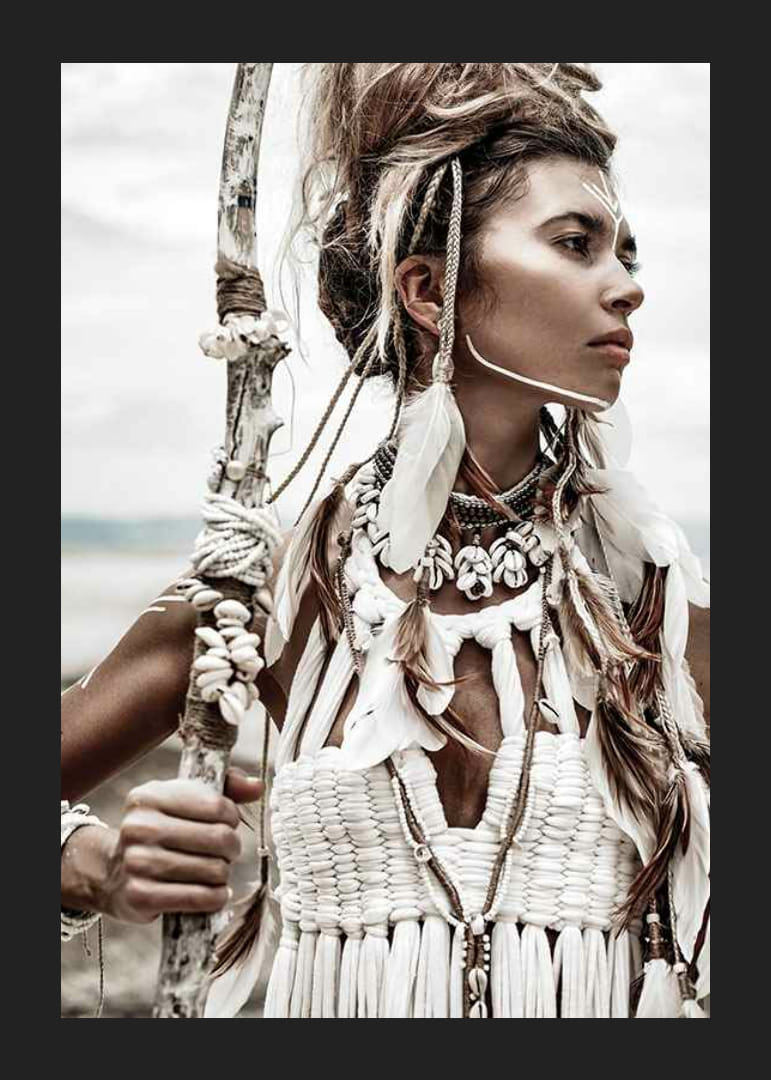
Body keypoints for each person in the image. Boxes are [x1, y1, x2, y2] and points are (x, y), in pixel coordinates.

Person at [61, 62, 710, 1019]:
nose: (626, 288)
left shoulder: (655, 614)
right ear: (426, 288)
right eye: (577, 244)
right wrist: (101, 863)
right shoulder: (267, 596)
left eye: (627, 255)